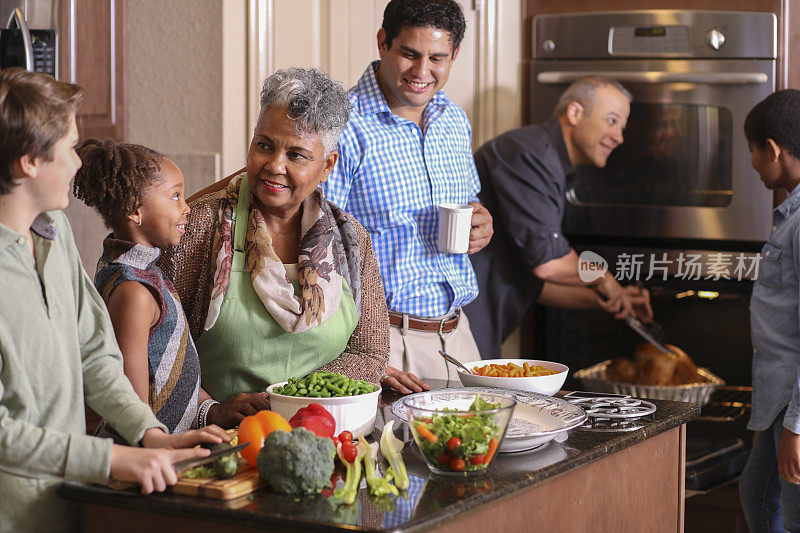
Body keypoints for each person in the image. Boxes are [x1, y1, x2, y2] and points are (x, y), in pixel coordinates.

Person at [0, 69, 229, 532]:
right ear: (29, 161)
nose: (78, 164)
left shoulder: (54, 231)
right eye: (68, 148)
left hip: (70, 501)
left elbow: (95, 352)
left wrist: (148, 434)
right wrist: (112, 458)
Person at [160, 67, 389, 424]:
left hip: (321, 432)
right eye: (264, 145)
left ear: (328, 165)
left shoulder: (349, 241)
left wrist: (290, 403)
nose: (274, 166)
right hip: (216, 438)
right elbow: (155, 344)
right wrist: (209, 409)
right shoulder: (200, 227)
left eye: (296, 155)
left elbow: (368, 350)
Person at [322, 0, 494, 391]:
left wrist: (481, 225)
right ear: (384, 42)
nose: (421, 72)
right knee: (390, 453)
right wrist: (359, 355)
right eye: (409, 54)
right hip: (384, 343)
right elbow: (315, 250)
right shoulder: (342, 127)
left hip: (459, 335)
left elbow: (470, 205)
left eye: (437, 58)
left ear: (455, 55)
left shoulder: (454, 120)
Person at [465, 76, 653, 358]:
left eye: (622, 127)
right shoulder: (529, 154)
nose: (620, 137)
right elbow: (548, 263)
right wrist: (605, 279)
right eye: (612, 121)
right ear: (575, 113)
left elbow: (535, 284)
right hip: (465, 324)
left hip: (483, 325)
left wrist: (604, 300)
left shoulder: (551, 164)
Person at [73, 139, 244, 438]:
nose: (187, 207)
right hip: (148, 463)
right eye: (175, 196)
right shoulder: (133, 291)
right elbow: (134, 412)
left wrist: (213, 411)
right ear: (134, 210)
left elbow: (169, 369)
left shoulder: (142, 270)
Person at [738, 89, 800, 532]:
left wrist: (797, 428)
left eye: (753, 152)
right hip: (780, 400)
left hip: (795, 407)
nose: (755, 164)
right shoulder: (789, 216)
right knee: (756, 492)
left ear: (773, 149)